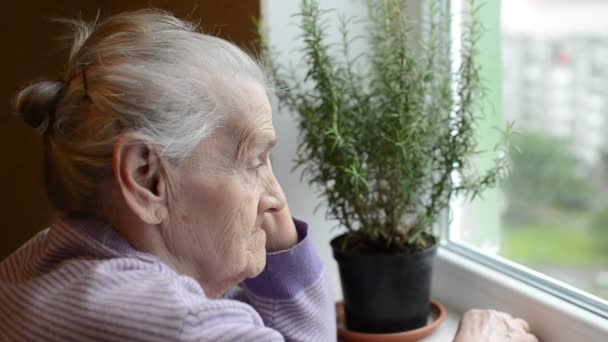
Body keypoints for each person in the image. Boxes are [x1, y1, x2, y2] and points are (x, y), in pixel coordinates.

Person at [0, 9, 538, 342]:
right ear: (148, 179)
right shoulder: (177, 324)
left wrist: (277, 253)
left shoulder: (37, 264)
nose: (275, 197)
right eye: (255, 159)